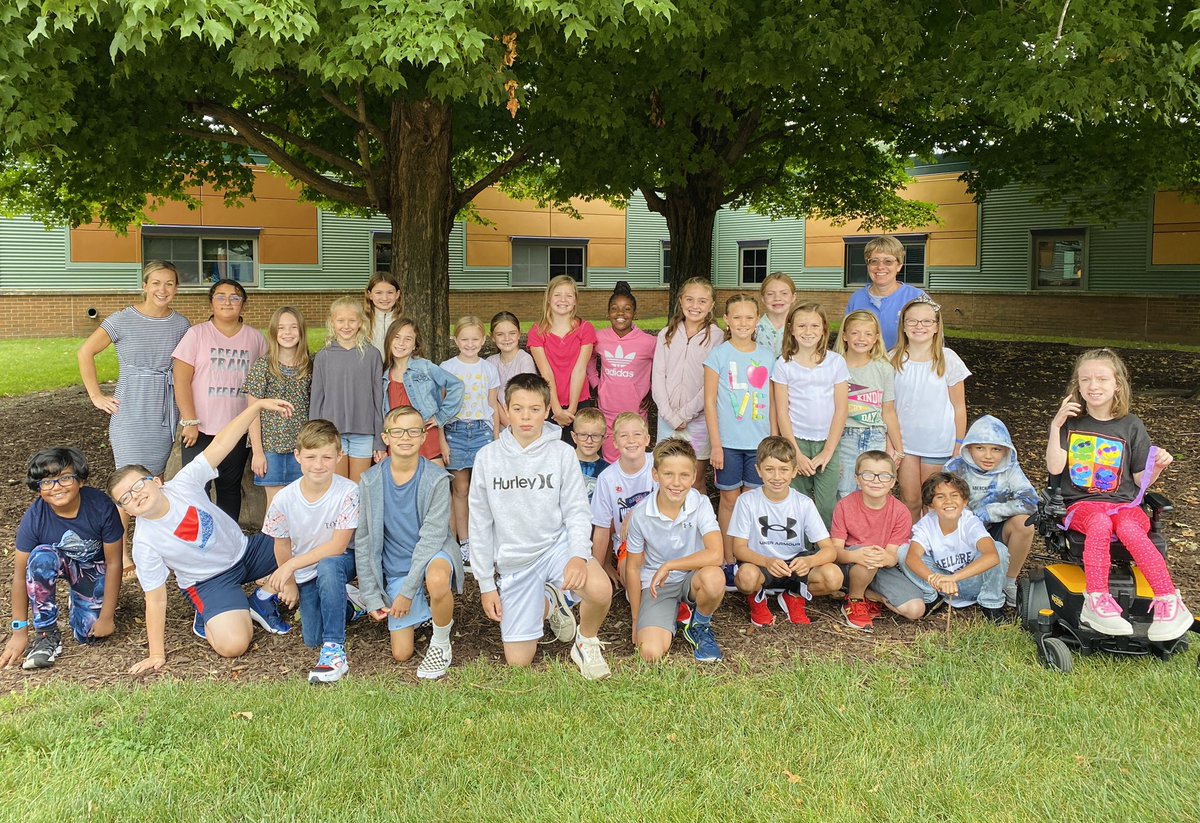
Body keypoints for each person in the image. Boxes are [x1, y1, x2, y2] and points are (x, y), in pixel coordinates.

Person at [110, 398, 295, 675]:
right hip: (209, 581)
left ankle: (262, 597)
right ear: (126, 510)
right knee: (234, 645)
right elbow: (156, 598)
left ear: (157, 482)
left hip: (246, 551)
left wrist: (255, 409)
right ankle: (207, 614)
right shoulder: (145, 544)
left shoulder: (182, 483)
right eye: (126, 497)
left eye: (138, 485)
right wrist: (156, 653)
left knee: (307, 542)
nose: (135, 495)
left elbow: (221, 443)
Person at [467, 372, 613, 679]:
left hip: (555, 548)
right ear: (505, 410)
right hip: (516, 562)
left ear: (547, 411)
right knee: (519, 661)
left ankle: (586, 643)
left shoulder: (561, 453)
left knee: (599, 588)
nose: (525, 417)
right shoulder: (487, 458)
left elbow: (576, 510)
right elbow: (479, 524)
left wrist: (577, 553)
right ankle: (550, 604)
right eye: (517, 408)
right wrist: (485, 584)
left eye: (534, 409)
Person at [1046, 348, 1192, 640]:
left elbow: (1141, 479)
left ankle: (1167, 601)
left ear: (1117, 385)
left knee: (1127, 525)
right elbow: (1055, 467)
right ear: (1077, 385)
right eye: (1085, 379)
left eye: (1101, 379)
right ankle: (1097, 601)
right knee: (1100, 522)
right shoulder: (1071, 424)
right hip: (1082, 506)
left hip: (1123, 505)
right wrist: (1056, 425)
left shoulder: (1131, 425)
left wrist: (1158, 465)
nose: (1093, 386)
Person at [78, 260, 190, 574]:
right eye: (156, 283)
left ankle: (154, 548)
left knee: (155, 481)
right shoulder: (122, 320)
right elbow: (85, 353)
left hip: (164, 410)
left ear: (176, 288)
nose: (162, 290)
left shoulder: (181, 324)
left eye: (169, 283)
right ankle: (121, 554)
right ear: (144, 285)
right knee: (127, 481)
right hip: (130, 411)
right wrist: (96, 396)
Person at [355, 406, 463, 679]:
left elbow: (432, 539)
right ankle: (424, 610)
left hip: (432, 556)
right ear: (386, 437)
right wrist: (370, 596)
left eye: (414, 431)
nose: (406, 437)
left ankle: (440, 642)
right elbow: (365, 540)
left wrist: (405, 593)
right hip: (397, 567)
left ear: (423, 436)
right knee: (401, 654)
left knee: (437, 580)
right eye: (398, 431)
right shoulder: (370, 481)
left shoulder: (436, 479)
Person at [1, 448, 123, 670]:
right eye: (47, 482)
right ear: (39, 489)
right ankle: (47, 634)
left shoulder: (101, 507)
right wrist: (19, 632)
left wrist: (107, 616)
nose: (56, 487)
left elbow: (114, 563)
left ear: (81, 480)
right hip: (55, 562)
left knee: (90, 635)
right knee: (40, 558)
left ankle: (79, 599)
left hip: (92, 569)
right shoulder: (35, 517)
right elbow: (20, 577)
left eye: (65, 478)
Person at [261, 420, 359, 684]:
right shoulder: (284, 498)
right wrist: (290, 583)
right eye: (311, 456)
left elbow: (338, 546)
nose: (319, 464)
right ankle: (349, 605)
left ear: (339, 456)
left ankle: (334, 651)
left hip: (341, 563)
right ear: (297, 456)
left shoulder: (348, 491)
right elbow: (281, 544)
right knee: (310, 637)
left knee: (328, 565)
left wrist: (290, 567)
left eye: (327, 457)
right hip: (305, 571)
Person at [172, 278, 267, 523]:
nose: (228, 302)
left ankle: (227, 544)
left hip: (236, 429)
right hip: (199, 429)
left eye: (235, 297)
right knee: (197, 489)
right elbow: (181, 380)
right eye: (220, 296)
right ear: (211, 303)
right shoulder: (196, 334)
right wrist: (189, 421)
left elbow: (264, 383)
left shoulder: (256, 339)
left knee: (229, 488)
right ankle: (199, 545)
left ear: (243, 305)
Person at [625, 439, 725, 663]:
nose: (676, 483)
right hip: (657, 585)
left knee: (714, 577)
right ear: (655, 474)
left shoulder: (700, 504)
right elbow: (632, 567)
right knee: (649, 653)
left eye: (684, 475)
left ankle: (699, 624)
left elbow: (716, 554)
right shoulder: (641, 515)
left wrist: (670, 565)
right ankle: (674, 613)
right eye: (668, 474)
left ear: (693, 476)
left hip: (693, 578)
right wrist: (635, 618)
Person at [731, 436, 842, 627]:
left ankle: (793, 595)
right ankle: (758, 598)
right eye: (769, 469)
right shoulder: (747, 501)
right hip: (762, 563)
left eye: (783, 470)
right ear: (758, 470)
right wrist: (767, 561)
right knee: (746, 577)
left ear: (794, 472)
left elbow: (829, 550)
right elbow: (739, 548)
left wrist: (810, 561)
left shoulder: (804, 503)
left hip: (794, 566)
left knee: (834, 577)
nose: (776, 477)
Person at [704, 293, 776, 583]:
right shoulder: (719, 355)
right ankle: (727, 558)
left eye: (749, 317)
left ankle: (747, 557)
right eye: (737, 317)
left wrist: (773, 441)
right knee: (730, 500)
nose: (743, 323)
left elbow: (772, 401)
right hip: (729, 444)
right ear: (727, 321)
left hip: (759, 445)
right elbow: (709, 402)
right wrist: (717, 445)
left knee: (752, 503)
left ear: (757, 320)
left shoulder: (767, 356)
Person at [892, 296, 970, 522]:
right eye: (913, 321)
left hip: (937, 443)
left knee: (933, 502)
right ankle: (912, 548)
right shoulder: (893, 359)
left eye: (926, 322)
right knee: (911, 500)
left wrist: (959, 444)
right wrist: (893, 445)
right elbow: (887, 407)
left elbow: (959, 407)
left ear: (936, 327)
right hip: (904, 444)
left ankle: (933, 549)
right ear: (904, 326)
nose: (919, 327)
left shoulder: (948, 359)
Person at [771, 302, 849, 528]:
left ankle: (826, 553)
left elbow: (841, 409)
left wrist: (827, 452)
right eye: (802, 326)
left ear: (824, 330)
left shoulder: (836, 362)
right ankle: (801, 553)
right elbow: (782, 412)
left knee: (826, 505)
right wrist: (795, 453)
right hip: (797, 443)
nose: (808, 331)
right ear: (791, 329)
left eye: (814, 326)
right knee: (799, 503)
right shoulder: (784, 364)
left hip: (828, 443)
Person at [946, 415, 1037, 608]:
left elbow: (1030, 502)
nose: (988, 456)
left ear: (1006, 451)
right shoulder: (955, 468)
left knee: (1025, 524)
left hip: (994, 530)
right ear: (969, 447)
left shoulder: (1010, 469)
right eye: (980, 448)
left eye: (996, 449)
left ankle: (1007, 582)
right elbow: (940, 503)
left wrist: (989, 511)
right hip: (961, 533)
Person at [831, 451, 924, 632]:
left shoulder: (900, 512)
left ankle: (870, 595)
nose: (876, 480)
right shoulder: (844, 506)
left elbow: (892, 558)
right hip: (851, 565)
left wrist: (883, 558)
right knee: (869, 556)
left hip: (881, 567)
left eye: (884, 476)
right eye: (868, 474)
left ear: (893, 481)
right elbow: (836, 552)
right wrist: (856, 555)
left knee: (915, 609)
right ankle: (854, 600)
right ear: (857, 479)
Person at [900, 473, 1008, 622]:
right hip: (940, 584)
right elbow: (912, 557)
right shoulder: (926, 524)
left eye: (954, 495)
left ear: (964, 502)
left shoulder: (970, 522)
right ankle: (932, 597)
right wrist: (935, 580)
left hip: (971, 582)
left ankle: (991, 604)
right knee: (903, 551)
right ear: (930, 504)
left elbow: (992, 556)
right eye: (940, 497)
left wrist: (953, 578)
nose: (948, 501)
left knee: (999, 549)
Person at [651, 277, 723, 493]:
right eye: (690, 299)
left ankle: (696, 525)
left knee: (695, 479)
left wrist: (685, 415)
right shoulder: (667, 334)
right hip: (667, 419)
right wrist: (670, 415)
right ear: (680, 301)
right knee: (665, 476)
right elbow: (657, 377)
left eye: (702, 301)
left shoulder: (717, 338)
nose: (695, 306)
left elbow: (710, 385)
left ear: (711, 305)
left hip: (699, 420)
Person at [440, 315, 501, 566]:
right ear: (455, 339)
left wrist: (496, 439)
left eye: (475, 339)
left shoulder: (488, 368)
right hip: (454, 431)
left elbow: (493, 405)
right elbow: (441, 406)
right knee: (461, 489)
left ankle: (485, 541)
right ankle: (464, 543)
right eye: (464, 339)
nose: (469, 343)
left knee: (485, 490)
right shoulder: (447, 367)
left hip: (482, 433)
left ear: (483, 340)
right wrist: (442, 440)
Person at [245, 306, 313, 513]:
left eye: (293, 327)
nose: (288, 332)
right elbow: (252, 412)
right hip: (271, 447)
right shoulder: (263, 365)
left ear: (301, 331)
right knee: (275, 507)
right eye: (282, 328)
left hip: (302, 448)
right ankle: (272, 546)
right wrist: (257, 452)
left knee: (301, 504)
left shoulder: (311, 365)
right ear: (274, 332)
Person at [310, 296, 384, 483]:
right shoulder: (323, 356)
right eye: (340, 320)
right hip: (332, 434)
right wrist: (315, 437)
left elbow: (379, 399)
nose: (346, 325)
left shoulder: (372, 355)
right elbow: (317, 400)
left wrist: (379, 440)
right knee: (338, 489)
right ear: (332, 322)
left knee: (358, 489)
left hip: (364, 433)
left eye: (352, 320)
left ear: (360, 322)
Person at [834, 310, 903, 499]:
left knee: (873, 491)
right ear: (845, 335)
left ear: (876, 338)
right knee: (845, 492)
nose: (861, 338)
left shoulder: (883, 368)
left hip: (875, 437)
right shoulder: (834, 365)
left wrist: (898, 449)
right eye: (855, 332)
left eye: (868, 334)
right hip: (844, 436)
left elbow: (888, 411)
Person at [382, 317, 462, 468]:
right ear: (389, 340)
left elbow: (457, 386)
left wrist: (441, 417)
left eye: (408, 339)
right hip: (399, 439)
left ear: (415, 345)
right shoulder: (384, 375)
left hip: (425, 436)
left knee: (437, 485)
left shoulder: (425, 367)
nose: (401, 343)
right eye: (397, 337)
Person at [589, 281, 655, 463]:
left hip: (636, 411)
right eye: (615, 309)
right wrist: (596, 383)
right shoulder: (600, 337)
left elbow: (661, 367)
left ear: (635, 313)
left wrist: (653, 391)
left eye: (627, 309)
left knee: (634, 457)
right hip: (608, 410)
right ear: (608, 313)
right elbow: (589, 359)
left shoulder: (648, 342)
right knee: (611, 459)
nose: (620, 314)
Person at [590, 412, 656, 591]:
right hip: (629, 546)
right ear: (615, 443)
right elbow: (602, 529)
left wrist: (635, 513)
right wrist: (598, 569)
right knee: (636, 582)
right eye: (623, 435)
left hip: (663, 537)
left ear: (647, 439)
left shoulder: (659, 464)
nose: (631, 440)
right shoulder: (607, 479)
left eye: (637, 434)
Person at [528, 275, 597, 442]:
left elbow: (579, 370)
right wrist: (557, 410)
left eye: (569, 295)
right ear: (549, 299)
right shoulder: (537, 332)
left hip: (579, 401)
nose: (563, 300)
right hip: (549, 401)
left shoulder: (585, 329)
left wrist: (572, 410)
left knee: (580, 451)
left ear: (575, 301)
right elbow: (546, 372)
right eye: (558, 294)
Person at [843, 235, 927, 351]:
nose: (880, 267)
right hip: (867, 367)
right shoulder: (857, 299)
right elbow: (846, 340)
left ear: (899, 265)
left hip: (905, 366)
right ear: (868, 265)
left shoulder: (917, 298)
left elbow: (935, 340)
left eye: (888, 261)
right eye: (874, 261)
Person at [487, 311, 537, 429]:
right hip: (498, 422)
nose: (507, 338)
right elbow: (491, 399)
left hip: (522, 423)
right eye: (500, 334)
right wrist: (508, 424)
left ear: (519, 334)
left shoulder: (524, 360)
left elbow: (527, 396)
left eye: (512, 333)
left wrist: (513, 426)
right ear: (492, 337)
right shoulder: (490, 362)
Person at [571, 406, 609, 502]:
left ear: (604, 439)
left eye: (595, 436)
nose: (589, 441)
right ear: (574, 436)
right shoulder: (563, 464)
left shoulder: (608, 471)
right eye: (583, 435)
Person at [755, 272, 797, 358]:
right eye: (770, 294)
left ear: (793, 297)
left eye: (784, 293)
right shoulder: (753, 329)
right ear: (763, 298)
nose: (777, 298)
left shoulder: (801, 328)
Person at [363, 272, 403, 359]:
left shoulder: (404, 323)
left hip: (396, 371)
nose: (385, 298)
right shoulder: (361, 322)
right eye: (378, 293)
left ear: (397, 294)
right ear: (370, 294)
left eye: (390, 292)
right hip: (369, 371)